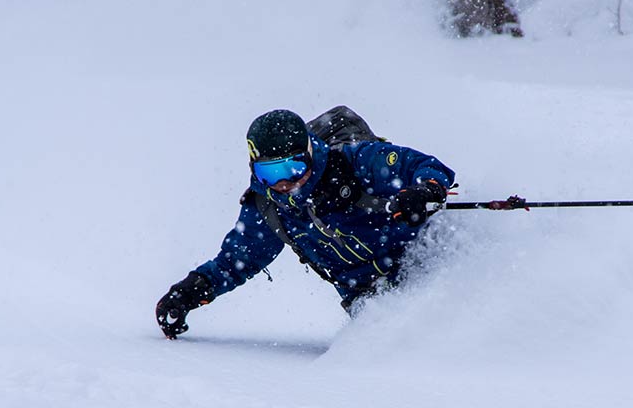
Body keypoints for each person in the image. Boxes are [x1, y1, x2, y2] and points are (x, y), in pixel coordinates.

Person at [155, 108, 456, 339]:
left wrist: (425, 190)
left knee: (448, 324)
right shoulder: (268, 206)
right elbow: (238, 260)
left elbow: (423, 166)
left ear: (311, 153)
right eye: (270, 174)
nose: (285, 182)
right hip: (371, 297)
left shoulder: (356, 162)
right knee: (403, 344)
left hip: (425, 260)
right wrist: (191, 291)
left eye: (294, 167)